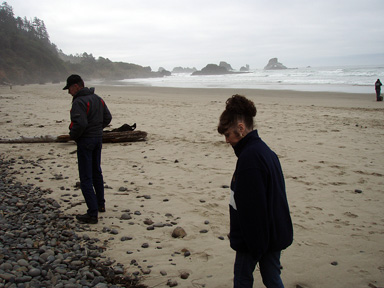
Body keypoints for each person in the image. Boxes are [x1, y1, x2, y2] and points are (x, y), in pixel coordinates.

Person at [217, 95, 293, 288]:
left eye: (228, 134)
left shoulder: (250, 159)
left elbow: (252, 209)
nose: (227, 140)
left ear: (241, 129)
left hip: (254, 239)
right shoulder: (264, 151)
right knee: (272, 278)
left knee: (242, 279)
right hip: (273, 234)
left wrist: (253, 246)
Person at [63, 74, 112, 224]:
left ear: (76, 86)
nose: (68, 92)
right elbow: (108, 118)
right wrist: (97, 129)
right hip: (97, 139)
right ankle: (100, 204)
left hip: (86, 140)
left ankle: (92, 214)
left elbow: (81, 124)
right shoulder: (97, 98)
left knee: (85, 177)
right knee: (96, 171)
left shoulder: (79, 101)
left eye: (69, 88)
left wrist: (73, 136)